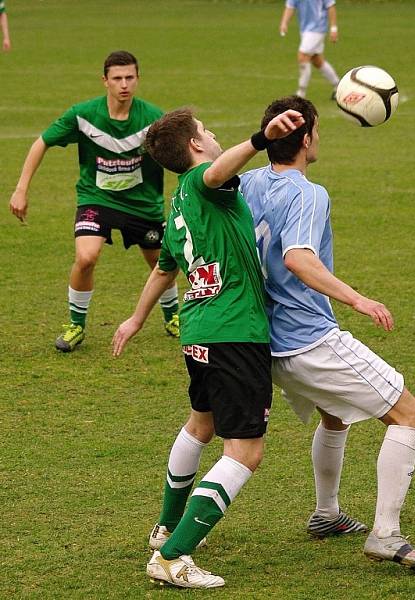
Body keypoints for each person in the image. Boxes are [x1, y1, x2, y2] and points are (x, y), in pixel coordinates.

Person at [240, 95, 415, 572]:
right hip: (308, 339)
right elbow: (298, 257)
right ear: (306, 138)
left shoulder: (246, 182)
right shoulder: (309, 192)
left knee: (335, 415)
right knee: (410, 415)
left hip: (263, 341)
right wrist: (358, 299)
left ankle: (326, 514)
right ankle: (386, 535)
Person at [112, 107, 303, 589]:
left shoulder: (178, 203)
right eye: (206, 131)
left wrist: (136, 317)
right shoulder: (201, 180)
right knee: (245, 452)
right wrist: (261, 138)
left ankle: (164, 527)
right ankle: (174, 557)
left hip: (199, 331)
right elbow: (220, 170)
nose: (213, 135)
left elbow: (164, 269)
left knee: (201, 425)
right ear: (195, 146)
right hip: (234, 332)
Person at [8, 51, 178, 352]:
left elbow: (180, 154)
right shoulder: (83, 115)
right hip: (96, 198)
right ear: (105, 81)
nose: (124, 84)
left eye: (130, 77)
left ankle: (172, 316)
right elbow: (41, 142)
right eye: (117, 78)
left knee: (159, 261)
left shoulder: (154, 119)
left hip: (142, 204)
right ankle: (76, 324)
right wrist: (21, 188)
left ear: (137, 79)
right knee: (86, 257)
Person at [279, 0, 340, 99]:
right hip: (305, 30)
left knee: (303, 56)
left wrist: (333, 29)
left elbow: (330, 6)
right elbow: (290, 6)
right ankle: (338, 86)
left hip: (318, 28)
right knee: (317, 60)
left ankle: (301, 94)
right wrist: (284, 23)